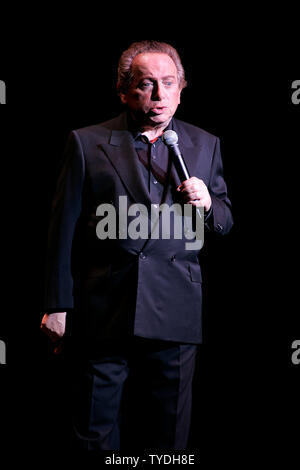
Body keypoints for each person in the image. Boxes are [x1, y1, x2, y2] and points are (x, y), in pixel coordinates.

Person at [41, 40, 233, 453]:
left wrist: (208, 203)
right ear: (125, 90)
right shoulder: (86, 143)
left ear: (182, 88)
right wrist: (57, 304)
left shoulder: (205, 144)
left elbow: (224, 220)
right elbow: (62, 230)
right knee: (94, 433)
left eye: (169, 83)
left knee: (168, 438)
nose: (160, 95)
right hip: (104, 311)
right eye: (147, 84)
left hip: (176, 309)